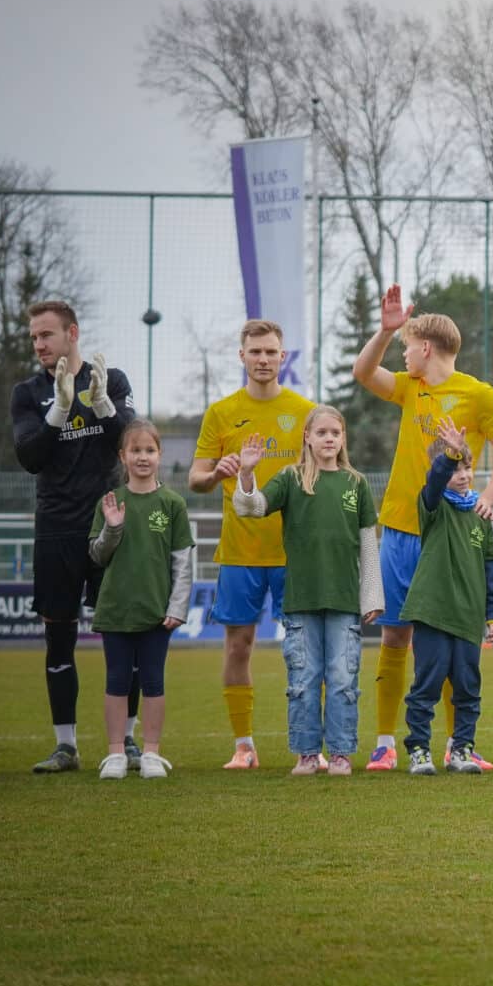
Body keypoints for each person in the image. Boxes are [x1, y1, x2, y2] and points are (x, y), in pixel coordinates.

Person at [352, 286, 493, 771]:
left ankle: (456, 745)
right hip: (402, 530)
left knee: (454, 640)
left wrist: (486, 499)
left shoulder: (478, 393)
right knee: (395, 637)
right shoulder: (410, 385)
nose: (402, 353)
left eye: (405, 344)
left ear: (426, 347)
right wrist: (384, 332)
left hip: (449, 538)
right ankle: (386, 743)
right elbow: (362, 373)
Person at [11, 300, 138, 774]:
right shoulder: (27, 393)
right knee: (58, 636)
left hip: (109, 522)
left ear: (73, 333)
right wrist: (60, 409)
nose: (40, 345)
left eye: (46, 335)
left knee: (122, 635)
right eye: (34, 338)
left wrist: (101, 404)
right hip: (56, 528)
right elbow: (30, 457)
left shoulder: (112, 379)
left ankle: (126, 740)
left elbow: (131, 441)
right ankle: (66, 745)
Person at [188, 319, 314, 769]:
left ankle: (308, 746)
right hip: (240, 553)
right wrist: (217, 474)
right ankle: (244, 746)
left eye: (271, 352)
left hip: (293, 554)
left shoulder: (305, 412)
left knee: (303, 651)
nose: (263, 359)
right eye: (255, 352)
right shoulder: (221, 413)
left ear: (283, 358)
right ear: (241, 356)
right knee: (238, 646)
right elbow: (196, 479)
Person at [230, 406, 381, 776]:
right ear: (307, 438)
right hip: (300, 601)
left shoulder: (356, 483)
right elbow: (252, 508)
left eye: (336, 432)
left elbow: (368, 545)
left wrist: (372, 596)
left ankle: (342, 754)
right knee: (303, 679)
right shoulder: (290, 478)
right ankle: (307, 754)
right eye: (322, 432)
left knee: (344, 678)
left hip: (344, 601)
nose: (329, 439)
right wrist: (246, 473)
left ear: (343, 438)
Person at [87, 421, 194, 781]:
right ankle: (116, 753)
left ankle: (151, 752)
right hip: (116, 609)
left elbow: (183, 562)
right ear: (123, 456)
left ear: (160, 455)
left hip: (155, 614)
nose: (143, 457)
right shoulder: (111, 502)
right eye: (136, 451)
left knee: (153, 681)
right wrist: (112, 526)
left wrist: (177, 607)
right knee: (116, 680)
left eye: (149, 450)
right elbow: (98, 555)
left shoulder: (173, 504)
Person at [400, 418, 493, 776]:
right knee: (426, 684)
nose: (461, 474)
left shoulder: (482, 515)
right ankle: (419, 750)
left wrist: (492, 614)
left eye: (467, 466)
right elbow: (433, 484)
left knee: (468, 686)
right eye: (454, 467)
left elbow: (491, 568)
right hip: (432, 611)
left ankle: (462, 749)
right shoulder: (432, 506)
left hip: (468, 616)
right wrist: (450, 452)